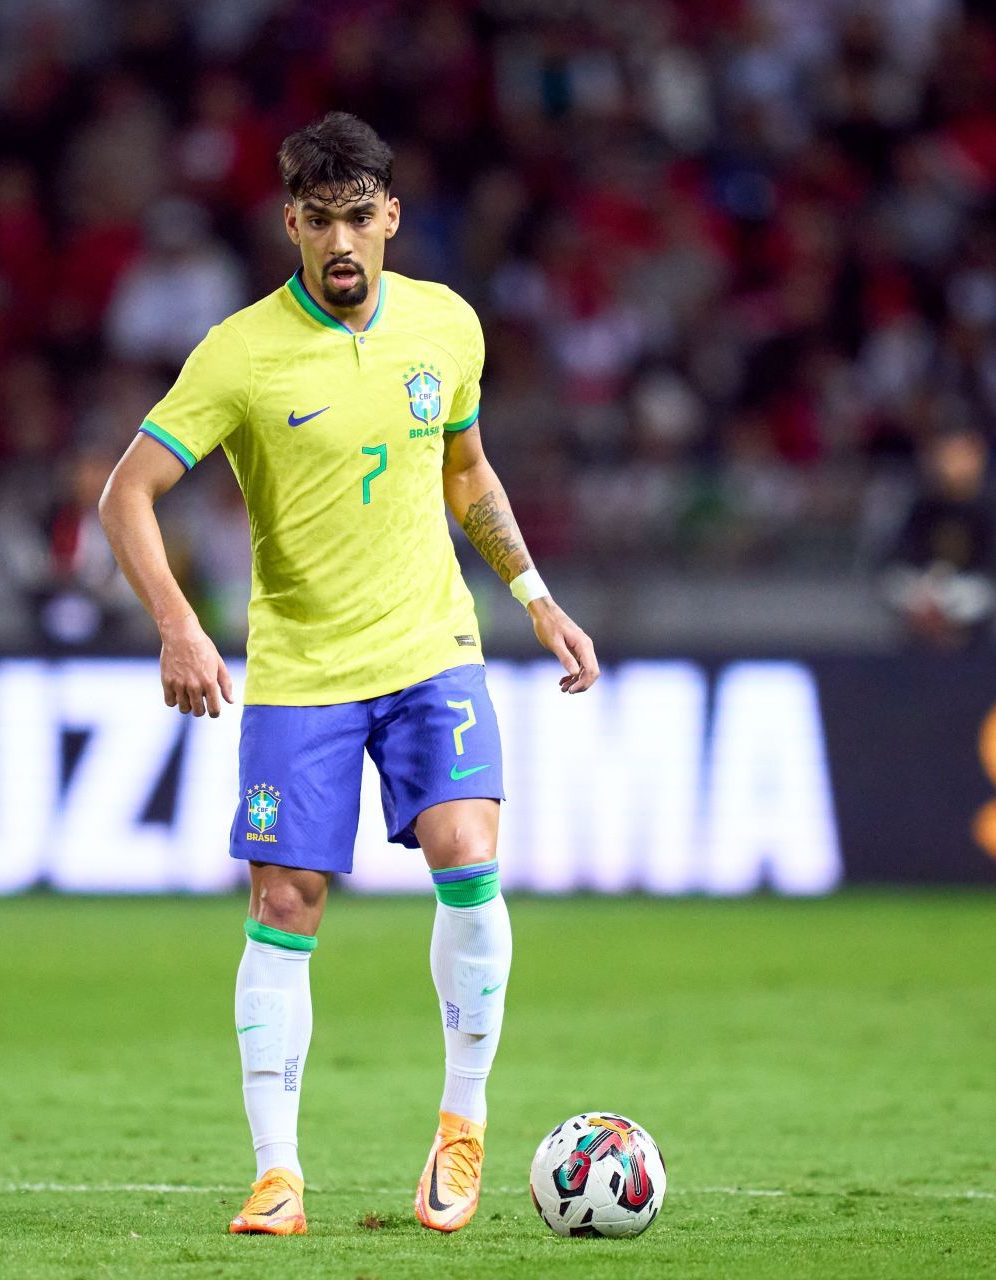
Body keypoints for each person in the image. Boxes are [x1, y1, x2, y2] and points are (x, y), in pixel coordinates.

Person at [98, 112, 599, 1237]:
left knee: (470, 856)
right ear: (291, 223)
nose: (340, 238)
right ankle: (278, 1173)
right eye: (318, 218)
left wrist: (535, 597)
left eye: (359, 217)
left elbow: (466, 470)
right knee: (284, 904)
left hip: (432, 648)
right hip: (303, 670)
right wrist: (179, 627)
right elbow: (124, 493)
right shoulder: (238, 352)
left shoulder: (446, 326)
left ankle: (461, 1130)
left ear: (391, 219)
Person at [879, 426, 996, 648]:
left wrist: (949, 601)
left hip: (972, 618)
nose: (954, 464)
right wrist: (926, 593)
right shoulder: (922, 507)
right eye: (948, 455)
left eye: (963, 455)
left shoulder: (991, 512)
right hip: (922, 601)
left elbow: (995, 576)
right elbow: (896, 560)